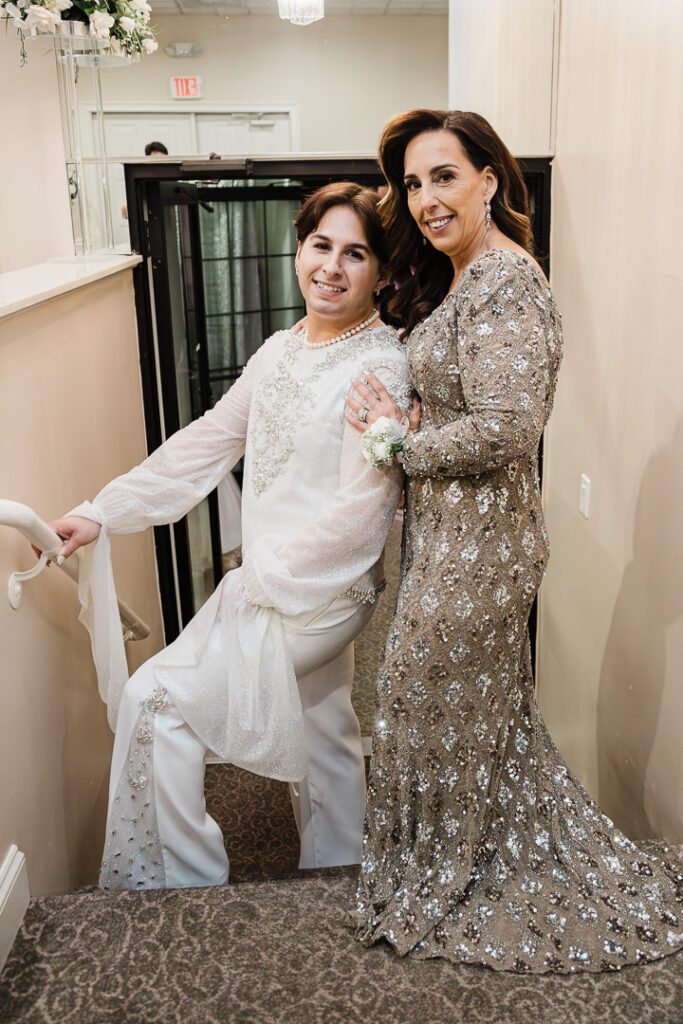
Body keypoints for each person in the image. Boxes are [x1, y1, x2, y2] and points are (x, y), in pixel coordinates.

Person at [345, 109, 683, 974]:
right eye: (412, 184)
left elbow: (508, 422)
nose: (424, 199)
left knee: (427, 701)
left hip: (484, 546)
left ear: (489, 180)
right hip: (448, 535)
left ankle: (454, 871)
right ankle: (441, 863)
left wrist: (399, 445)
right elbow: (471, 396)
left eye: (443, 177)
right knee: (452, 713)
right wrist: (415, 419)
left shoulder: (502, 279)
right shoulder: (461, 278)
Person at [45, 182, 413, 890]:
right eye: (320, 245)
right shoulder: (278, 350)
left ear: (383, 272)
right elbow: (208, 441)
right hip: (273, 584)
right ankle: (341, 869)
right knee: (325, 723)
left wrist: (255, 584)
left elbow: (362, 513)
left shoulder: (381, 367)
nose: (331, 267)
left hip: (321, 592)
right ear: (297, 247)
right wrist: (103, 510)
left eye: (355, 254)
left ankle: (187, 886)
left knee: (158, 703)